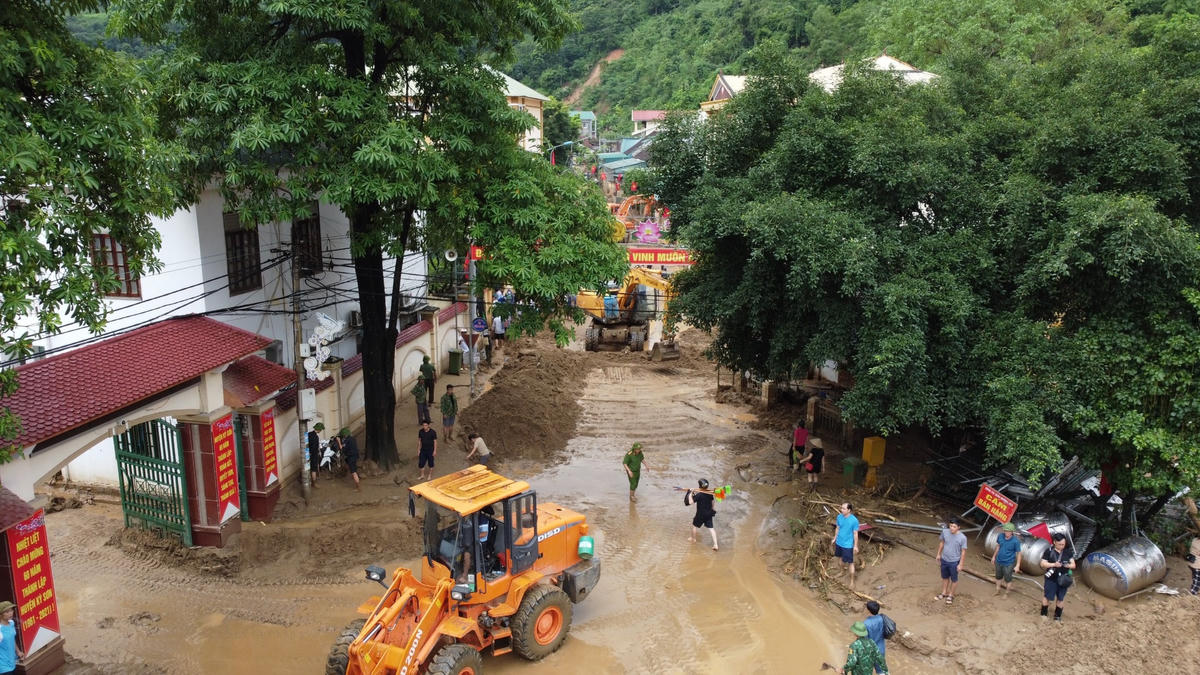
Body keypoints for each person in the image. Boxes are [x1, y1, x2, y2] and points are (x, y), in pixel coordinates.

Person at [1039, 532, 1076, 621]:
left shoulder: (1067, 552)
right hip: (1051, 578)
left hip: (1063, 579)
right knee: (1047, 597)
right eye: (1060, 544)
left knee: (1061, 598)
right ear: (1054, 542)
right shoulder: (1049, 551)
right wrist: (1054, 564)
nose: (1062, 546)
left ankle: (1057, 616)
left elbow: (1073, 565)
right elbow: (1043, 564)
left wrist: (1067, 565)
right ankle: (1044, 614)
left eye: (1063, 544)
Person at [936, 517, 968, 605]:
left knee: (954, 579)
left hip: (954, 562)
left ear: (958, 527)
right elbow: (942, 543)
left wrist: (960, 564)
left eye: (954, 526)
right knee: (945, 577)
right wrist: (938, 554)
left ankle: (951, 595)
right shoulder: (945, 532)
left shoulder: (962, 538)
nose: (951, 528)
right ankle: (944, 593)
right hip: (944, 559)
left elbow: (963, 552)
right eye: (950, 526)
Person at [990, 522, 1024, 596]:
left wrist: (1017, 565)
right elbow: (998, 546)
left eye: (1008, 531)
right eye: (1005, 530)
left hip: (1009, 563)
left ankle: (1006, 593)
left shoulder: (1016, 541)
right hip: (999, 561)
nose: (1006, 532)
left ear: (1012, 532)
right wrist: (994, 556)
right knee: (998, 577)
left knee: (1008, 579)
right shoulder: (1000, 536)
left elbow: (1019, 553)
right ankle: (997, 590)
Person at [685, 479, 718, 551]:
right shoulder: (710, 493)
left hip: (700, 514)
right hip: (709, 513)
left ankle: (693, 539)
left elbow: (690, 502)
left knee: (694, 526)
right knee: (711, 528)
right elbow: (712, 502)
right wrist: (713, 509)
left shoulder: (699, 495)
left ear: (699, 486)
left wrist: (690, 492)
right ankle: (715, 544)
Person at [833, 502, 860, 588]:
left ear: (849, 510)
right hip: (839, 542)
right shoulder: (839, 517)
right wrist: (835, 538)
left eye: (844, 508)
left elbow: (855, 533)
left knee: (850, 562)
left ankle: (852, 581)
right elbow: (837, 528)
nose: (841, 510)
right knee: (840, 559)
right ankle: (842, 571)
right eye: (841, 508)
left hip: (848, 545)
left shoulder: (854, 520)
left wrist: (855, 546)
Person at [861, 601, 890, 675]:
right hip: (881, 649)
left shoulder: (866, 623)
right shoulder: (882, 618)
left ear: (868, 610)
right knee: (881, 671)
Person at [0, 600, 22, 675]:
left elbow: (12, 639)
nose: (10, 613)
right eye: (7, 612)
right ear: (1, 615)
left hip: (12, 661)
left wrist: (18, 651)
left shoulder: (12, 623)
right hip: (3, 667)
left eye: (11, 610)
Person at [307, 422, 324, 489]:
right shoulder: (315, 437)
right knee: (314, 469)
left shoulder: (309, 434)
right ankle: (314, 483)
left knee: (309, 468)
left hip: (308, 454)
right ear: (319, 429)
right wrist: (317, 452)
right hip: (313, 455)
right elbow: (314, 448)